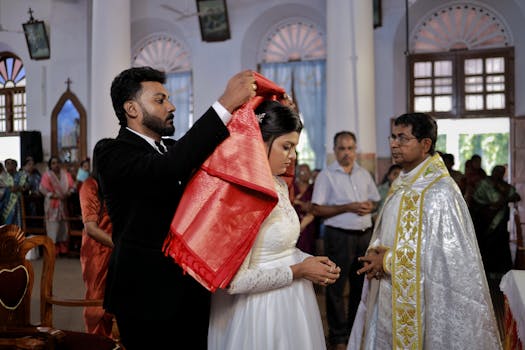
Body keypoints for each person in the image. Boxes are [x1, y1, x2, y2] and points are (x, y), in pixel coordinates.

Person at [94, 66, 256, 349]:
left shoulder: (171, 147)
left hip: (191, 287)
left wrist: (266, 115)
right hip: (145, 293)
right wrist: (225, 103)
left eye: (168, 99)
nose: (171, 106)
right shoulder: (111, 151)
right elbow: (166, 170)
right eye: (159, 100)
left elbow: (224, 153)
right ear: (131, 108)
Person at [349, 112, 501, 349]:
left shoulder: (440, 191)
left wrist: (388, 260)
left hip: (424, 299)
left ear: (425, 144)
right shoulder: (403, 182)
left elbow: (447, 261)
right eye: (392, 137)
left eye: (403, 138)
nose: (393, 144)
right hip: (388, 288)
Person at [208, 100, 340, 350]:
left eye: (294, 148)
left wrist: (311, 262)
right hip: (259, 311)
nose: (293, 156)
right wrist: (299, 271)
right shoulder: (241, 194)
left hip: (290, 299)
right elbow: (234, 281)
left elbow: (280, 248)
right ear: (259, 143)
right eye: (286, 146)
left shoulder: (278, 183)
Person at [311, 131, 381, 349]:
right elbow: (317, 209)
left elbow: (376, 200)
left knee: (361, 286)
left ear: (356, 150)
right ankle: (338, 336)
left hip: (364, 236)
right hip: (338, 236)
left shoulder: (363, 173)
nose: (347, 153)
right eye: (342, 148)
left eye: (350, 148)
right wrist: (347, 207)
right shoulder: (326, 175)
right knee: (336, 287)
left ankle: (353, 332)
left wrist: (370, 206)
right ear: (335, 150)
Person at [79, 140, 114, 337]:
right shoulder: (89, 185)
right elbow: (91, 228)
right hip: (97, 248)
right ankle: (96, 341)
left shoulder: (114, 182)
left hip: (114, 246)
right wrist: (117, 244)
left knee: (113, 298)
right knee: (97, 299)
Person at [472, 164, 521, 276]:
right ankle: (486, 272)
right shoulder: (485, 183)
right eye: (496, 171)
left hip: (500, 221)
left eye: (501, 172)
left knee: (500, 245)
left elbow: (516, 196)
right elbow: (475, 199)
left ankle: (500, 272)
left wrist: (505, 200)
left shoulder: (505, 186)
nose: (498, 174)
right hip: (486, 219)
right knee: (487, 245)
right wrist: (488, 207)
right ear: (493, 171)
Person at [39, 156, 76, 255]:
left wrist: (68, 193)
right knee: (53, 226)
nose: (56, 165)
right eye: (53, 163)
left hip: (63, 203)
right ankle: (53, 248)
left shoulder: (66, 174)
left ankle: (63, 248)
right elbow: (42, 189)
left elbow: (73, 187)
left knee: (63, 227)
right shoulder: (47, 175)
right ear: (50, 165)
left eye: (58, 163)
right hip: (52, 204)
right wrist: (54, 195)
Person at [293, 163, 319, 254]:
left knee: (309, 247)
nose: (305, 174)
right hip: (295, 220)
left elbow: (316, 205)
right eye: (302, 171)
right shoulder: (292, 187)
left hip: (310, 222)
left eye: (307, 171)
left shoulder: (314, 188)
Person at [0, 159, 27, 226]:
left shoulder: (21, 175)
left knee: (18, 225)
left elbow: (26, 186)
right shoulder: (2, 177)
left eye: (11, 163)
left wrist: (18, 188)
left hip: (18, 203)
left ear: (16, 165)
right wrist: (8, 188)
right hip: (5, 204)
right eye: (7, 164)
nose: (9, 166)